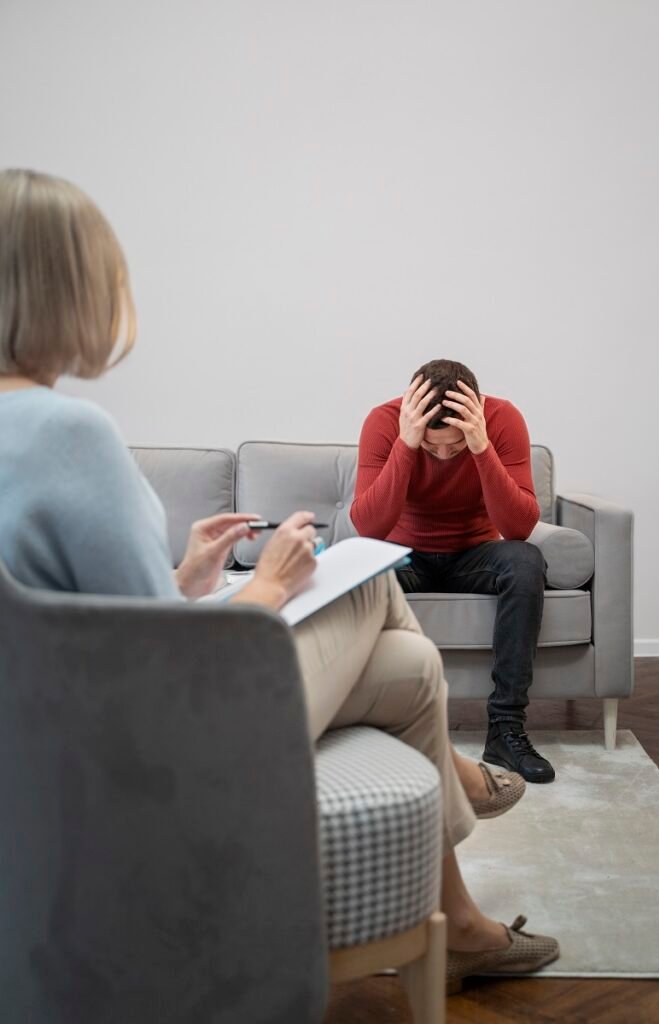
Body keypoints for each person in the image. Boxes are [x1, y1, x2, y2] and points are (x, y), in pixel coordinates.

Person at [0, 169, 558, 990]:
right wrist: (264, 585)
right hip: (166, 745)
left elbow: (93, 627)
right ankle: (464, 780)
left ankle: (463, 924)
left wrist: (188, 581)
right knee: (367, 575)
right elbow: (161, 668)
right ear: (74, 294)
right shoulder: (70, 433)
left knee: (409, 672)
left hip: (73, 732)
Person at [351, 358, 555, 784]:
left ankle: (505, 729)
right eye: (432, 445)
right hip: (406, 555)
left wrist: (480, 448)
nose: (443, 455)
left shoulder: (502, 420)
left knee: (525, 561)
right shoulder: (384, 422)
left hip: (475, 554)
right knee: (360, 570)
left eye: (455, 446)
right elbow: (369, 526)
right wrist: (407, 445)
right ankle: (377, 729)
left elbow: (518, 528)